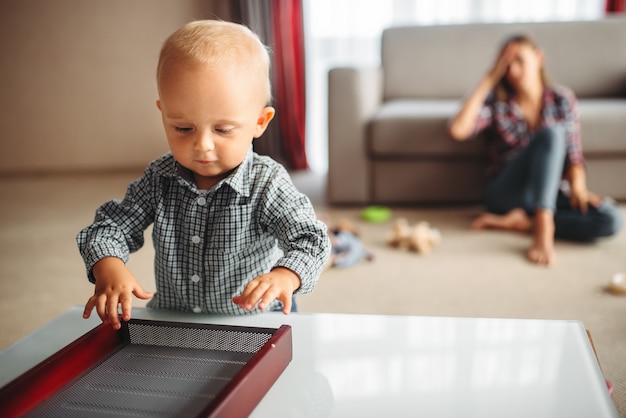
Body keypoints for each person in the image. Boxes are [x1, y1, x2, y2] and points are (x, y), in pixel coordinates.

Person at [77, 20, 331, 329]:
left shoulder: (267, 182)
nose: (202, 145)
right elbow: (108, 227)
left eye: (223, 129)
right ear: (163, 114)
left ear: (259, 122)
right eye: (183, 128)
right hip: (174, 324)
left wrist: (286, 276)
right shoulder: (160, 178)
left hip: (257, 325)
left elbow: (311, 239)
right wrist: (109, 266)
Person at [448, 33, 623, 266]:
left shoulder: (562, 99)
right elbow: (458, 130)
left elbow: (573, 155)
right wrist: (490, 77)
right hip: (506, 193)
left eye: (519, 61)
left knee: (610, 218)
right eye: (506, 65)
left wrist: (578, 188)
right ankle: (542, 227)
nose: (513, 71)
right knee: (551, 133)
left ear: (538, 57)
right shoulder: (498, 103)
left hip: (548, 193)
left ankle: (524, 223)